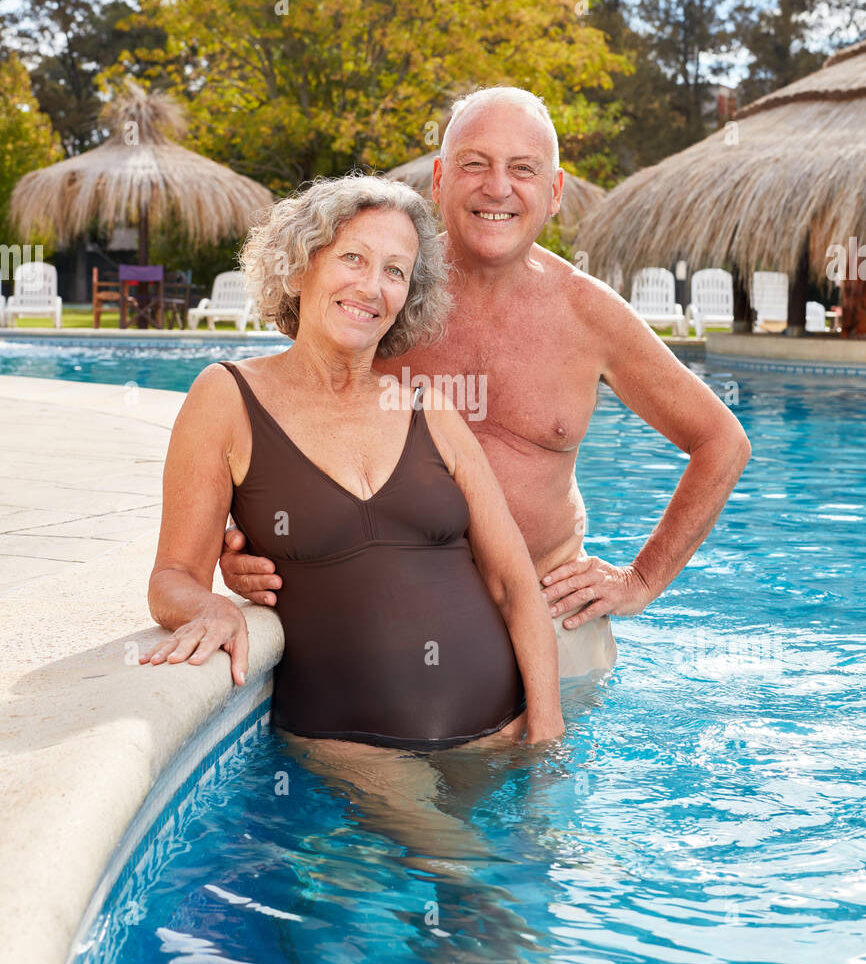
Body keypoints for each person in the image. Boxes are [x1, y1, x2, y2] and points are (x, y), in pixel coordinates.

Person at [221, 87, 752, 677]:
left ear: (553, 193)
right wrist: (244, 542)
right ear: (440, 179)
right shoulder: (386, 293)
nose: (497, 187)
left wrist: (642, 579)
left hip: (552, 620)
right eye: (475, 164)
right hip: (391, 619)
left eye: (522, 170)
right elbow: (284, 419)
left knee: (545, 766)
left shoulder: (589, 313)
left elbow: (722, 442)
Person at [141, 174, 563, 753]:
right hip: (361, 753)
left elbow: (514, 583)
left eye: (395, 271)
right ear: (297, 269)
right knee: (446, 849)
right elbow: (171, 578)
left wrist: (547, 738)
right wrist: (210, 605)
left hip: (505, 733)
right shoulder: (227, 397)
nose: (372, 286)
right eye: (353, 258)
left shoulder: (427, 408)